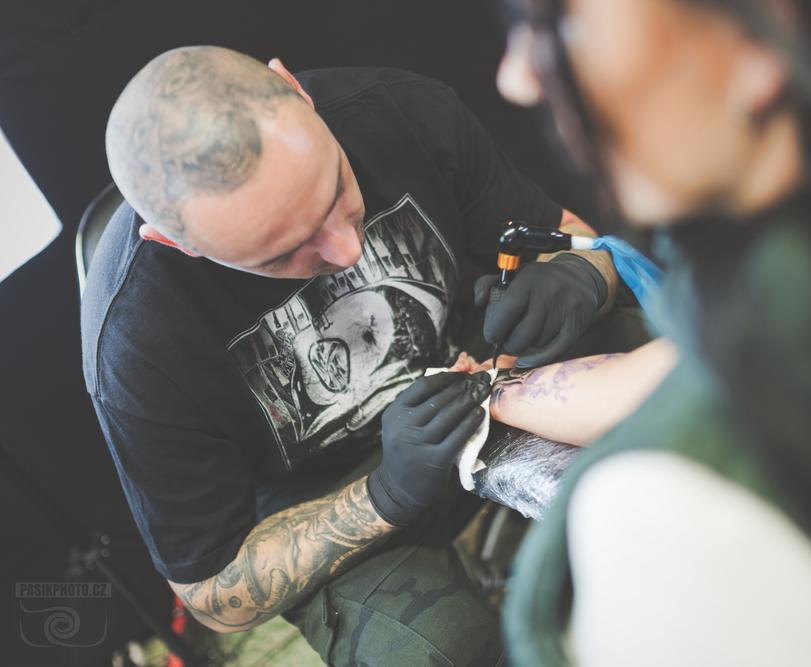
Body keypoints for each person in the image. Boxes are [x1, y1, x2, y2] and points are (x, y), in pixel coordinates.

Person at [81, 45, 624, 665]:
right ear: (176, 242)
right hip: (331, 501)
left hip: (486, 376)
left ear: (294, 90)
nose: (346, 250)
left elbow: (579, 240)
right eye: (281, 253)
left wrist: (582, 274)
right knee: (435, 652)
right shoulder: (135, 338)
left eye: (335, 187)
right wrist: (386, 493)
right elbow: (210, 591)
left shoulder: (399, 110)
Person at [493, 1, 811, 666]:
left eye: (550, 17)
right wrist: (502, 389)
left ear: (763, 27)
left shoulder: (659, 527)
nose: (517, 77)